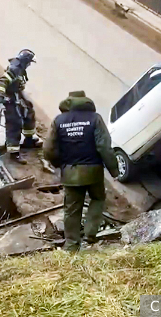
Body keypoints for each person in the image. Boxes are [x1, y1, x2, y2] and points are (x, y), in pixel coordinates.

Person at [43, 91, 119, 252]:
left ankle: (71, 244)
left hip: (70, 172)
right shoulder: (95, 118)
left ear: (68, 102)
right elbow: (104, 147)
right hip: (93, 172)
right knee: (98, 198)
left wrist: (60, 164)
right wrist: (114, 170)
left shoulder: (59, 121)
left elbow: (48, 149)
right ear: (85, 101)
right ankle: (90, 234)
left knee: (71, 209)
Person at [0, 49, 42, 165]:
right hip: (10, 99)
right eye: (29, 62)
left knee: (29, 112)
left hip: (17, 95)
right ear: (25, 61)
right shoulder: (14, 69)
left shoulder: (20, 68)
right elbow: (2, 82)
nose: (30, 64)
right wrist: (0, 96)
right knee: (15, 123)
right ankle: (14, 153)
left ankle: (29, 140)